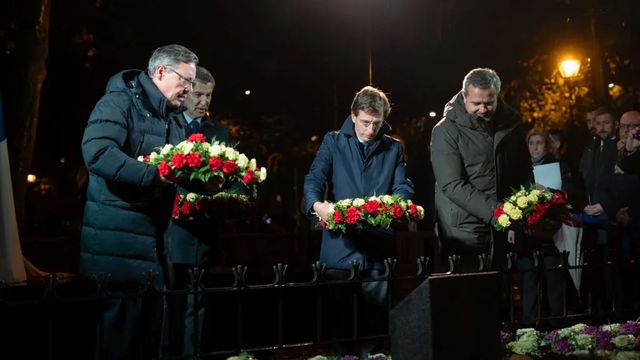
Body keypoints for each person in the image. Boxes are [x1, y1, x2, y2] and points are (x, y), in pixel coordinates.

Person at [80, 44, 198, 360]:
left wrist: (209, 185)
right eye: (185, 80)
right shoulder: (117, 103)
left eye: (192, 82)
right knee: (118, 344)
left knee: (148, 343)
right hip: (116, 249)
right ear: (160, 71)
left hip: (155, 250)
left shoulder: (175, 119)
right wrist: (154, 176)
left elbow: (181, 170)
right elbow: (98, 153)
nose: (189, 89)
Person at [303, 86, 414, 358]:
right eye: (365, 122)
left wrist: (398, 203)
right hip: (340, 244)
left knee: (375, 322)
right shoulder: (333, 141)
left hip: (378, 243)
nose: (370, 129)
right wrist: (317, 205)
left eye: (377, 123)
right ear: (353, 116)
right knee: (340, 322)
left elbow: (403, 186)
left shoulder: (393, 147)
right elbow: (314, 178)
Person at [431, 68, 532, 273]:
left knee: (498, 293)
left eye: (489, 102)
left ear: (497, 96)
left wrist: (520, 212)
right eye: (476, 103)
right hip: (463, 227)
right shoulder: (445, 130)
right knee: (469, 293)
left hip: (503, 222)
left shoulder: (511, 124)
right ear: (464, 96)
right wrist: (498, 213)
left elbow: (522, 171)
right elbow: (452, 184)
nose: (483, 109)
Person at [163, 66, 231, 357]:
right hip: (167, 227)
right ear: (187, 92)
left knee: (196, 300)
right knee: (167, 302)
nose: (205, 101)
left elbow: (229, 178)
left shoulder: (220, 132)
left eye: (210, 96)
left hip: (201, 230)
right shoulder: (166, 124)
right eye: (200, 94)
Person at [518, 128, 576, 325]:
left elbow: (570, 193)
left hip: (553, 233)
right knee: (529, 283)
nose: (535, 147)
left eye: (539, 143)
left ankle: (558, 328)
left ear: (547, 145)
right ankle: (529, 328)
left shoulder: (559, 166)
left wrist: (548, 193)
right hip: (528, 235)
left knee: (554, 282)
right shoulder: (521, 168)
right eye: (531, 143)